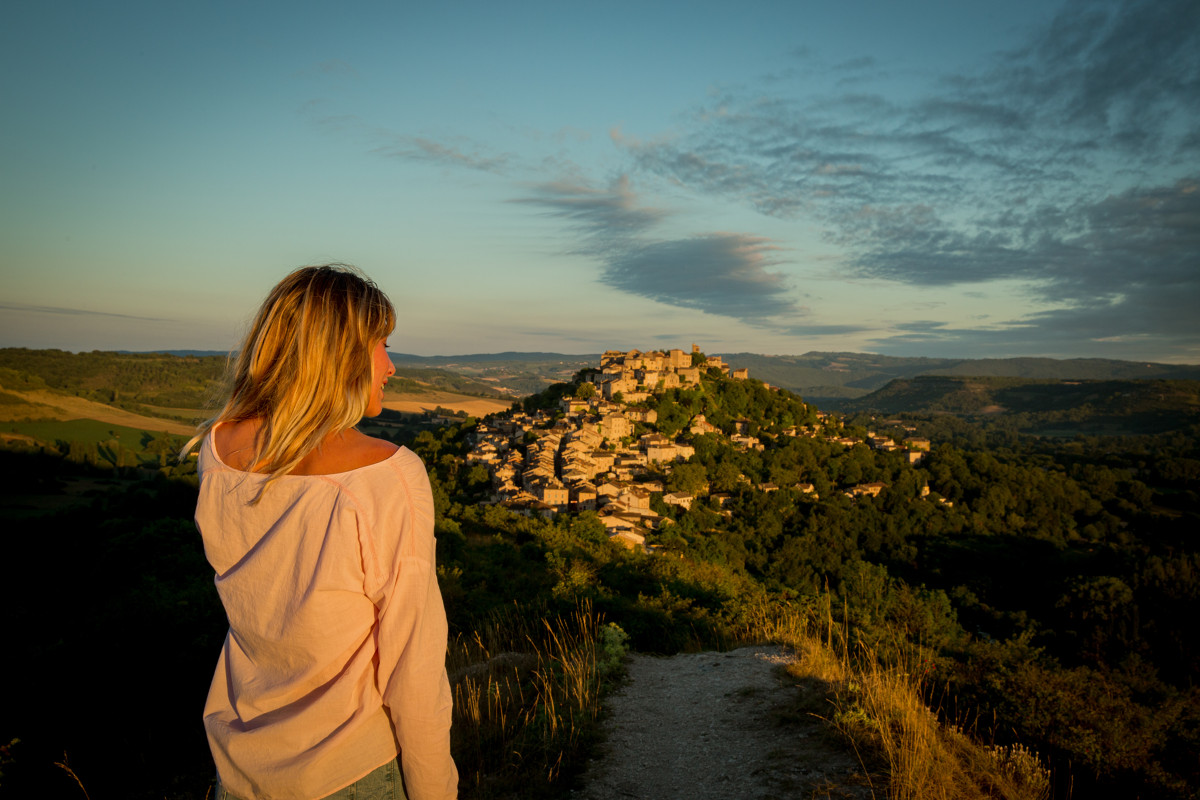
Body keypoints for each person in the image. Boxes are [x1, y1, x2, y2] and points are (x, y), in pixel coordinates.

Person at [185, 264, 458, 800]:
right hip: (349, 772)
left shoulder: (218, 452)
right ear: (339, 355)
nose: (392, 365)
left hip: (240, 773)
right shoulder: (387, 477)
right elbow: (414, 668)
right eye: (381, 343)